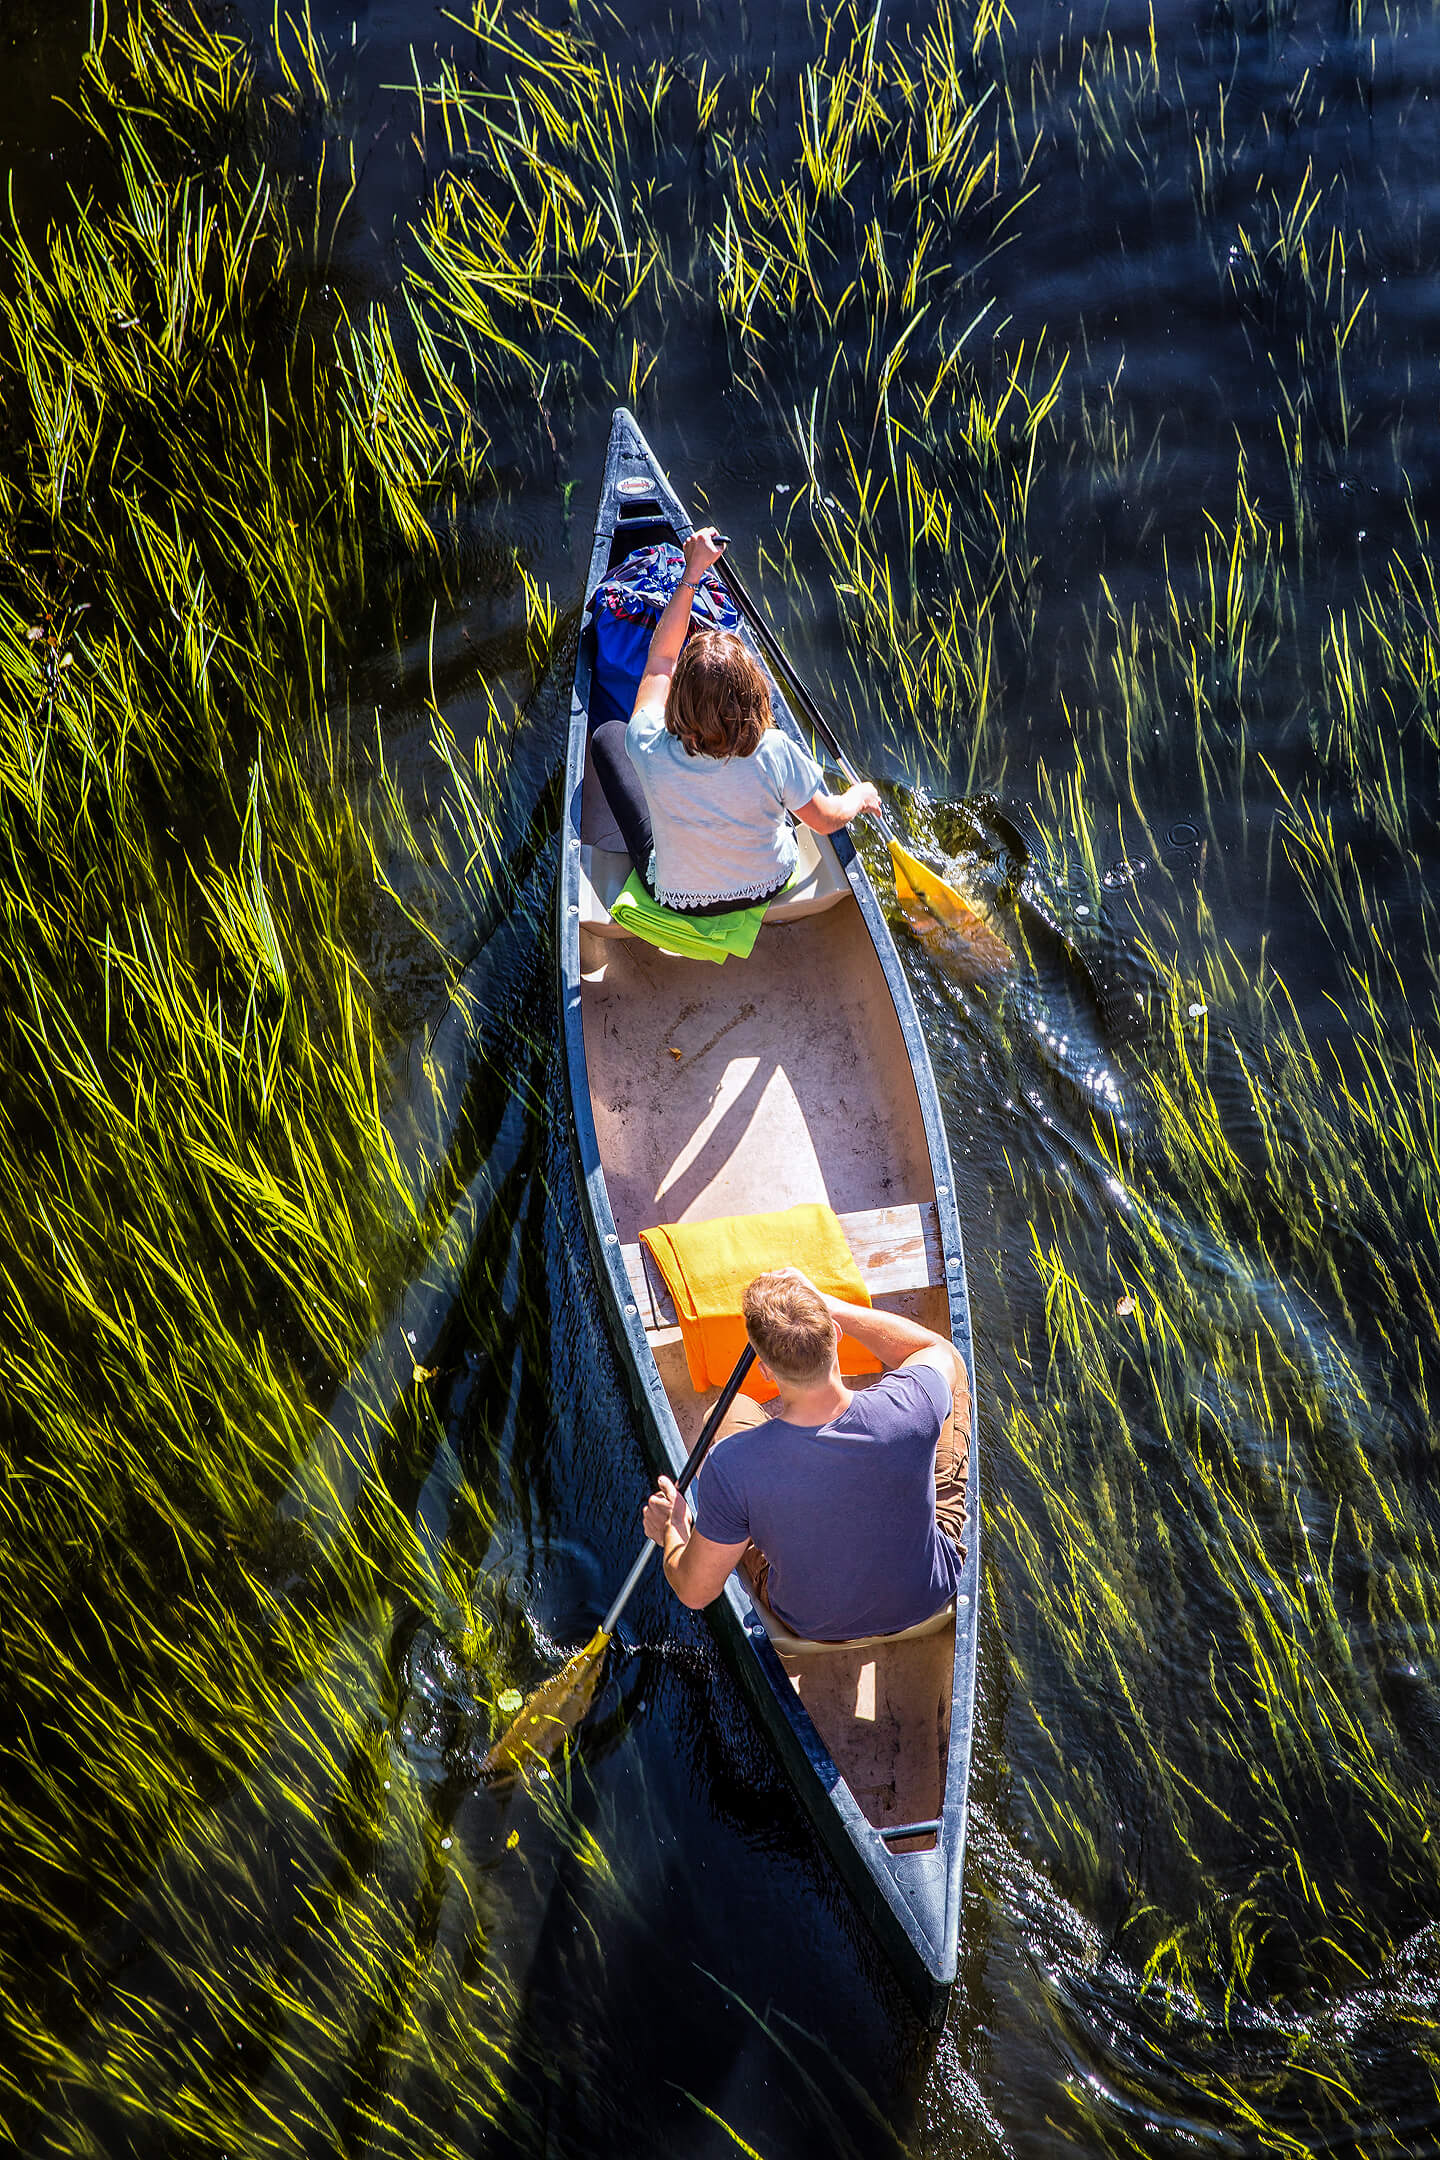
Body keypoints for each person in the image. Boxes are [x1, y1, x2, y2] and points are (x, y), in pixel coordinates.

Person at [641, 1267, 968, 1641]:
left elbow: (695, 1593)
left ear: (765, 1370)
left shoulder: (731, 1465)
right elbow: (939, 1350)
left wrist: (674, 1529)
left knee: (726, 1413)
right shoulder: (910, 1403)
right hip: (928, 1595)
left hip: (811, 1624)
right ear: (837, 1334)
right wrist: (834, 1307)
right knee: (952, 1377)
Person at [589, 527, 881, 916]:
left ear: (679, 698)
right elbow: (827, 820)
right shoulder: (775, 750)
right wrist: (860, 796)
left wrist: (691, 574)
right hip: (770, 883)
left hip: (680, 898)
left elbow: (660, 662)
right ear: (754, 693)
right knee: (783, 791)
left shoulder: (647, 739)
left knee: (608, 737)